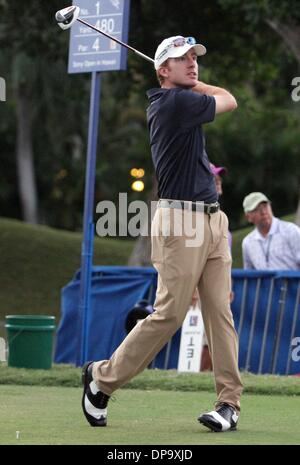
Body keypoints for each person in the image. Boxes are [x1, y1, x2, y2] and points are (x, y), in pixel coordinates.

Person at [81, 35, 243, 433]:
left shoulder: (180, 97)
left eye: (193, 57)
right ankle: (101, 378)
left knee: (219, 313)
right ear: (161, 70)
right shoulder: (175, 102)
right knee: (170, 313)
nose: (192, 63)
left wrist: (182, 76)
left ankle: (228, 403)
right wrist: (189, 83)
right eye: (180, 59)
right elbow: (230, 99)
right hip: (180, 223)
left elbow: (221, 96)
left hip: (212, 219)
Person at [242, 192, 300, 270]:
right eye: (256, 209)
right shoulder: (247, 242)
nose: (263, 212)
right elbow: (249, 275)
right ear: (248, 217)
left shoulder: (291, 230)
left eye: (265, 206)